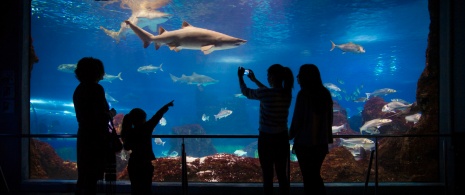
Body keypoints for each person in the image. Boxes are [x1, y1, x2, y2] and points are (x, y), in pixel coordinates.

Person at [238, 64, 294, 195]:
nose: (267, 78)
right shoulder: (287, 94)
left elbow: (245, 92)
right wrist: (255, 80)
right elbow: (269, 92)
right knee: (282, 175)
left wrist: (241, 78)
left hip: (266, 138)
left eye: (269, 75)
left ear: (272, 77)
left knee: (267, 175)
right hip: (282, 138)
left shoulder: (265, 93)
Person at [73, 57, 118, 194]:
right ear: (96, 72)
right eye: (101, 72)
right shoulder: (96, 88)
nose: (103, 76)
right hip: (96, 138)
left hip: (84, 135)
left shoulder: (79, 89)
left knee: (84, 176)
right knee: (93, 176)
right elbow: (100, 116)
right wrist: (111, 113)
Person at [289, 64, 333, 195]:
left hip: (305, 143)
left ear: (305, 77)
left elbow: (298, 118)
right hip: (321, 143)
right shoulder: (325, 93)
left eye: (300, 74)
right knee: (315, 175)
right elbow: (329, 119)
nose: (297, 77)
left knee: (308, 177)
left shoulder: (304, 94)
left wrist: (290, 135)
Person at [121, 100, 174, 195]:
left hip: (133, 162)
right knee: (146, 189)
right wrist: (166, 106)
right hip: (144, 163)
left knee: (135, 189)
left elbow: (127, 147)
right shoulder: (145, 128)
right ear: (143, 119)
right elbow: (156, 117)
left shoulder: (129, 131)